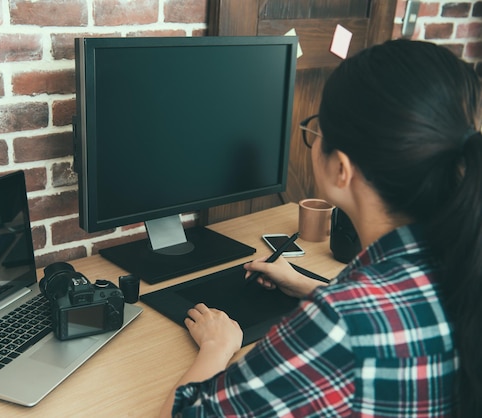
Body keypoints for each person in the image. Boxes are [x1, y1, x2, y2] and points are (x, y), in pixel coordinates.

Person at [159, 39, 481, 417]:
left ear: (341, 170)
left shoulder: (341, 327)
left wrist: (218, 345)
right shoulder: (461, 255)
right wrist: (314, 287)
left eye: (316, 130)